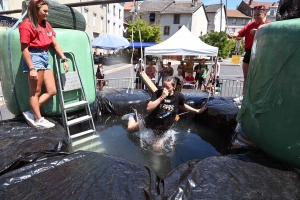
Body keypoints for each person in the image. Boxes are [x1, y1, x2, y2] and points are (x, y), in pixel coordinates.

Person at [20, 0, 69, 128]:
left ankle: (31, 112)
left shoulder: (46, 25)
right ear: (35, 11)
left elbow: (55, 44)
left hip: (45, 57)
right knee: (35, 92)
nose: (47, 14)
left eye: (48, 11)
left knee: (52, 90)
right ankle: (39, 119)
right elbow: (24, 49)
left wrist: (64, 58)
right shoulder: (26, 25)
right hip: (34, 57)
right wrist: (31, 68)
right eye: (45, 11)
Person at [122, 76, 208, 149]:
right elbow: (148, 108)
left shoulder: (178, 96)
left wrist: (197, 110)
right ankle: (131, 116)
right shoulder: (158, 93)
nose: (164, 89)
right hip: (149, 121)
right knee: (130, 130)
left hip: (162, 130)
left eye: (167, 87)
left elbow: (183, 106)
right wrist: (162, 97)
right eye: (163, 86)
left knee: (156, 149)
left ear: (173, 87)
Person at [228, 5, 270, 98]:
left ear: (264, 14)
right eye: (254, 15)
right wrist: (233, 34)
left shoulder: (268, 25)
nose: (255, 17)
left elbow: (271, 37)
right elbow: (239, 33)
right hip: (249, 52)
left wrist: (259, 32)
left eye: (258, 15)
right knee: (246, 77)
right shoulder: (250, 25)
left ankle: (258, 96)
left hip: (261, 53)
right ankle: (244, 96)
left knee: (258, 77)